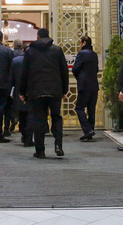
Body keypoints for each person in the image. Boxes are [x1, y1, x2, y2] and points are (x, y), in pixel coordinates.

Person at [19, 28, 69, 159]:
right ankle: (58, 145)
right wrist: (64, 90)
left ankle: (40, 151)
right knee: (56, 117)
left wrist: (22, 91)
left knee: (39, 120)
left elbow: (24, 73)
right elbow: (64, 71)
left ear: (37, 37)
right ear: (49, 36)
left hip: (36, 90)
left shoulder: (30, 51)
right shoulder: (57, 50)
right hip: (54, 90)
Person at [72, 35, 99, 141]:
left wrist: (80, 78)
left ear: (83, 43)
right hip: (94, 85)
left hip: (84, 85)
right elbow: (96, 69)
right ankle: (91, 130)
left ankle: (87, 130)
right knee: (91, 109)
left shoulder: (81, 53)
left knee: (79, 108)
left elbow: (75, 69)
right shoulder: (94, 54)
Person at [9, 42, 33, 146]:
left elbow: (11, 78)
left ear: (22, 50)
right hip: (32, 91)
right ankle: (28, 138)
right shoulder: (35, 61)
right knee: (30, 115)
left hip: (19, 91)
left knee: (22, 114)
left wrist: (10, 91)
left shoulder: (15, 61)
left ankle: (24, 135)